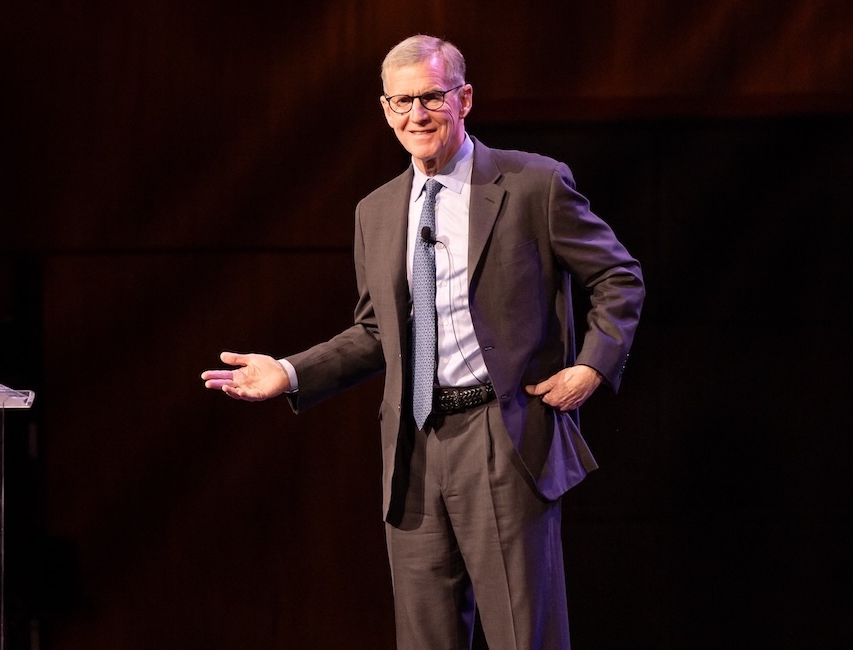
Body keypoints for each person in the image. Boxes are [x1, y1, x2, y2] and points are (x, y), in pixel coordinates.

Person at [201, 33, 645, 650]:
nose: (417, 115)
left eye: (432, 98)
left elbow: (617, 276)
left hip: (503, 434)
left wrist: (591, 367)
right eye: (401, 102)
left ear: (464, 98)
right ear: (385, 109)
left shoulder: (532, 185)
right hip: (413, 448)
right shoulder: (376, 212)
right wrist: (290, 371)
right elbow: (378, 330)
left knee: (525, 637)